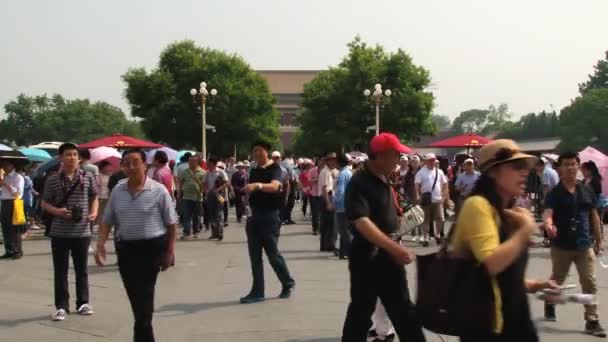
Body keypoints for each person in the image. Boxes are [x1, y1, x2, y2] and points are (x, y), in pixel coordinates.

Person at [451, 139, 557, 341]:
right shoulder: (477, 206)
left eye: (525, 167)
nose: (524, 172)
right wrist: (525, 230)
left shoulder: (507, 212)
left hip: (516, 320)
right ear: (492, 172)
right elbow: (491, 263)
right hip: (487, 325)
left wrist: (535, 285)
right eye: (517, 167)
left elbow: (503, 277)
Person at [341, 133, 424, 341]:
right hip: (368, 258)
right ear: (382, 155)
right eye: (396, 155)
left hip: (388, 257)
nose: (399, 160)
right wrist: (395, 248)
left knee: (404, 310)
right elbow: (362, 222)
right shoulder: (359, 182)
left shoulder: (385, 178)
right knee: (361, 312)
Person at [96, 148, 177, 342]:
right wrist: (101, 244)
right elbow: (108, 220)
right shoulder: (118, 190)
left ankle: (142, 333)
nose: (131, 167)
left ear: (145, 165)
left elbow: (171, 223)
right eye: (126, 163)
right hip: (126, 249)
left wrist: (169, 252)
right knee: (135, 295)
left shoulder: (158, 191)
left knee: (145, 294)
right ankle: (143, 330)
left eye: (135, 162)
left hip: (152, 248)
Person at [542, 152, 606, 337]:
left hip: (584, 244)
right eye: (566, 164)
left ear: (578, 167)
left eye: (573, 164)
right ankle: (550, 301)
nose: (570, 167)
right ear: (559, 168)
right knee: (557, 280)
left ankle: (592, 320)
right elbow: (548, 212)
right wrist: (548, 224)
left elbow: (593, 215)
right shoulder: (555, 193)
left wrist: (599, 239)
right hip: (562, 245)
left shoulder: (586, 190)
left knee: (589, 282)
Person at [41, 143, 98, 321]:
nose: (72, 157)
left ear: (79, 158)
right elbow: (44, 203)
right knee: (61, 270)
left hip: (82, 231)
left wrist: (94, 212)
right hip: (59, 232)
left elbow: (94, 196)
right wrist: (57, 212)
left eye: (74, 154)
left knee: (82, 269)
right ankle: (61, 306)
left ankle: (83, 302)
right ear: (60, 158)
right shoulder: (52, 179)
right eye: (68, 155)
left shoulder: (87, 177)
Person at [240, 140, 295, 304]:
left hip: (270, 216)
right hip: (254, 216)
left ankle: (287, 283)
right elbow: (253, 190)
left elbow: (275, 186)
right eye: (254, 151)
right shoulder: (254, 169)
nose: (256, 154)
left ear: (267, 152)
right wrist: (247, 197)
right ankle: (257, 291)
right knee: (254, 256)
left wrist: (257, 185)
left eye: (259, 150)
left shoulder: (276, 169)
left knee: (272, 254)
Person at [415, 153, 449, 246]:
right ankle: (426, 238)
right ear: (426, 161)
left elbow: (445, 183)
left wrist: (444, 196)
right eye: (430, 160)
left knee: (441, 218)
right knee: (426, 219)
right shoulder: (421, 172)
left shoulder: (440, 171)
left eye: (433, 160)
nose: (432, 162)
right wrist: (417, 195)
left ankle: (437, 235)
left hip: (438, 199)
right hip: (426, 199)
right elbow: (417, 184)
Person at [0, 159, 25, 259]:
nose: (4, 167)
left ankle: (17, 250)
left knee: (15, 228)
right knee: (5, 227)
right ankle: (9, 250)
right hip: (4, 202)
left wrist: (6, 185)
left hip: (14, 202)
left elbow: (17, 193)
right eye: (3, 165)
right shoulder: (3, 176)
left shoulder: (18, 177)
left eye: (6, 165)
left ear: (12, 166)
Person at [178, 154, 205, 239]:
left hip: (197, 197)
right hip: (186, 197)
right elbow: (181, 183)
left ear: (197, 162)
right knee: (187, 215)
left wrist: (202, 191)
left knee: (196, 216)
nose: (190, 163)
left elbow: (204, 186)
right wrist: (179, 193)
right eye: (189, 161)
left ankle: (196, 231)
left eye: (192, 161)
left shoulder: (203, 172)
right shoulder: (185, 172)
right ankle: (187, 232)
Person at [334, 153, 353, 260]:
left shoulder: (342, 174)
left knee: (344, 231)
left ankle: (350, 252)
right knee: (344, 230)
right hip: (348, 204)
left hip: (342, 205)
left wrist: (335, 202)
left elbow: (340, 191)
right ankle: (342, 252)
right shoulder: (348, 172)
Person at [319, 152, 338, 253]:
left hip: (329, 195)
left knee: (327, 223)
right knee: (331, 223)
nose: (335, 162)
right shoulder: (325, 172)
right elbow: (324, 188)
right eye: (333, 160)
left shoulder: (329, 171)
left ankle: (326, 245)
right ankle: (330, 245)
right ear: (329, 161)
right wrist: (328, 203)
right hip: (327, 196)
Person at [204, 157, 229, 229]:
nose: (207, 164)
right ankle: (214, 233)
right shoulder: (207, 173)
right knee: (211, 214)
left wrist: (218, 189)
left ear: (213, 163)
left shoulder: (221, 172)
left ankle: (220, 231)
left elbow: (227, 183)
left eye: (208, 163)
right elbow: (204, 183)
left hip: (220, 195)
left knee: (219, 213)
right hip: (210, 195)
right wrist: (206, 192)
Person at [97, 161, 112, 226]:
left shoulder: (110, 176)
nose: (108, 168)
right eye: (107, 167)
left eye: (109, 167)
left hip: (107, 197)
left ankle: (102, 226)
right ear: (103, 167)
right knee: (99, 213)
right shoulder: (98, 175)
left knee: (105, 214)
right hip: (99, 197)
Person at [309, 159, 322, 235]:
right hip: (314, 193)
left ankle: (321, 227)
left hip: (322, 193)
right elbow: (309, 180)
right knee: (315, 212)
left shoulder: (326, 170)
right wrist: (316, 180)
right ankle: (315, 229)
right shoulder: (313, 170)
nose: (322, 162)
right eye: (320, 161)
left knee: (322, 212)